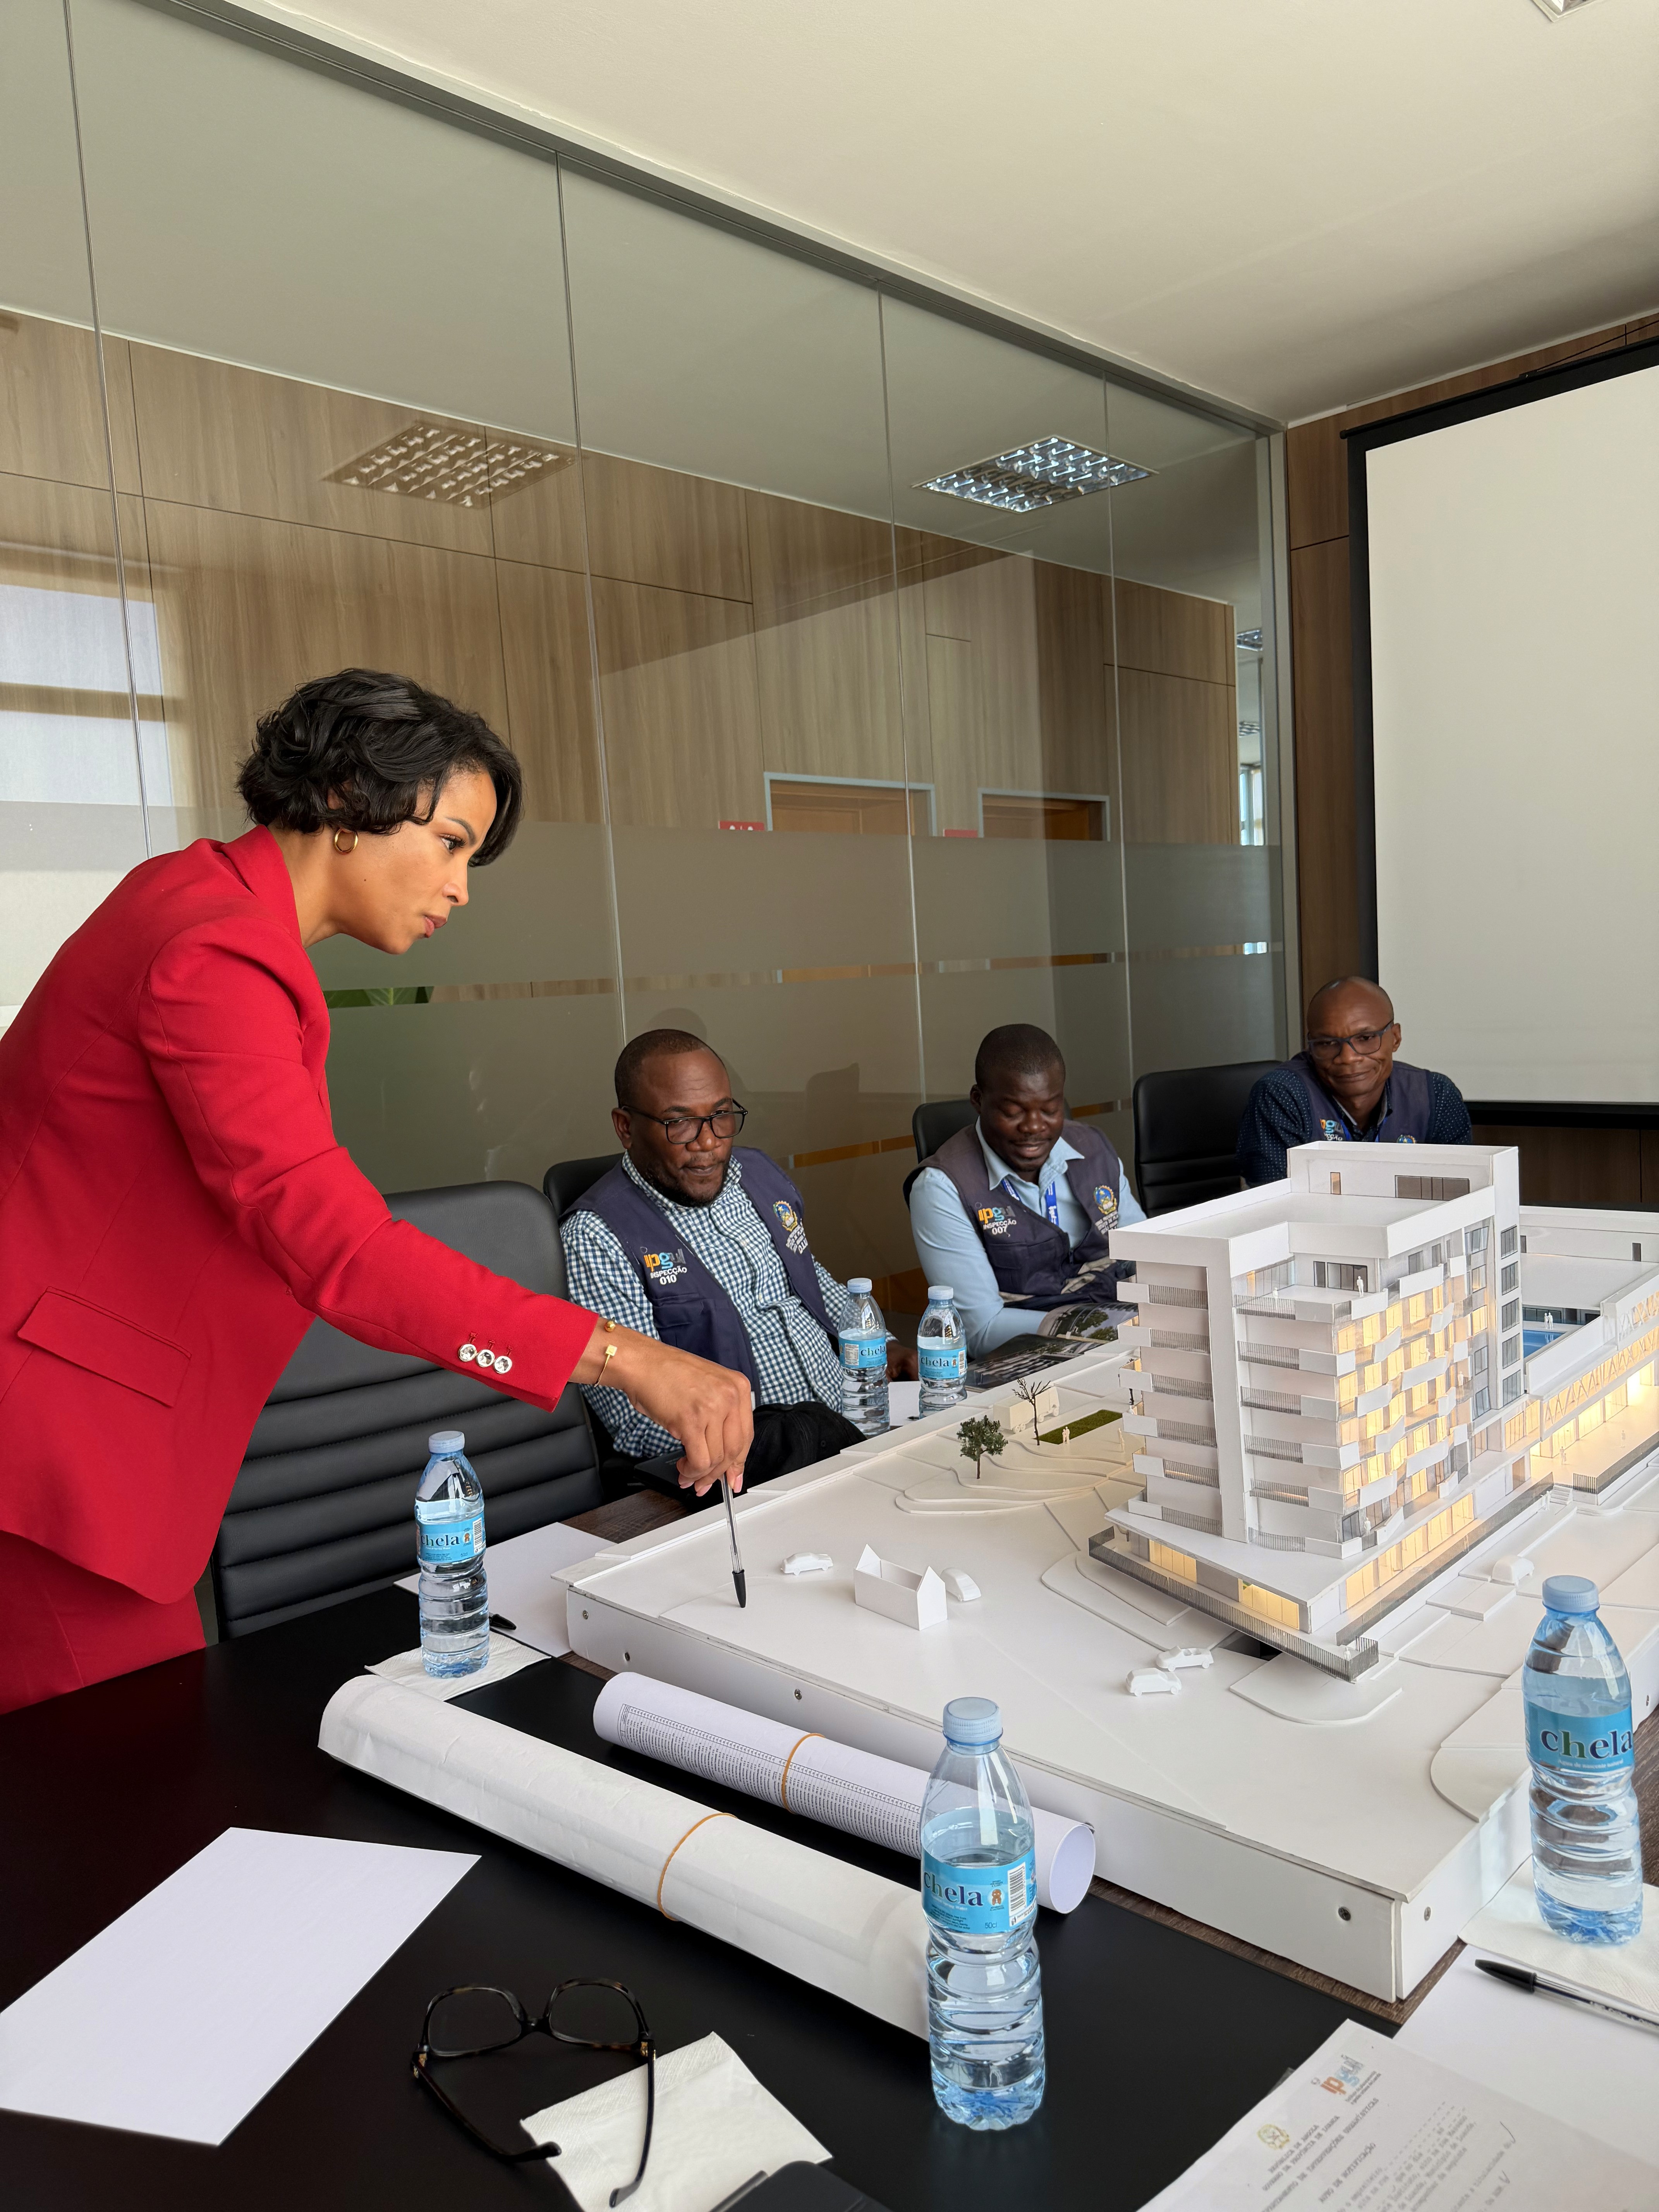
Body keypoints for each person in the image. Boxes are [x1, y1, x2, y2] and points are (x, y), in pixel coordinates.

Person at [0, 670, 751, 1715]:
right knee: (117, 1809)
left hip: (79, 1451)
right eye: (449, 842)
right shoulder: (214, 949)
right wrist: (624, 1357)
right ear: (349, 801)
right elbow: (337, 1248)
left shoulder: (207, 907)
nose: (461, 887)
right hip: (49, 1458)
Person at [562, 1030, 918, 1490]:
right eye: (680, 1123)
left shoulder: (756, 1173)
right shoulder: (598, 1237)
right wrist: (780, 1437)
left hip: (857, 1427)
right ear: (626, 1127)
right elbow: (636, 1423)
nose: (708, 1143)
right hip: (755, 1475)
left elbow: (812, 1281)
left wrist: (881, 1344)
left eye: (721, 1115)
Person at [907, 1024, 1145, 1358]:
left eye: (1050, 1110)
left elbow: (1144, 1254)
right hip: (1027, 1357)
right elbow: (981, 1329)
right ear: (978, 1100)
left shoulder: (1094, 1148)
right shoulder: (940, 1187)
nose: (1034, 1127)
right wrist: (1100, 1329)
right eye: (1013, 1111)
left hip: (1121, 1334)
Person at [1237, 976, 1472, 1187]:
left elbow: (1463, 1195)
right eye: (1328, 1043)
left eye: (1366, 1038)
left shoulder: (1435, 1097)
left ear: (1396, 1038)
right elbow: (1275, 1207)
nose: (1348, 1058)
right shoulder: (1282, 1097)